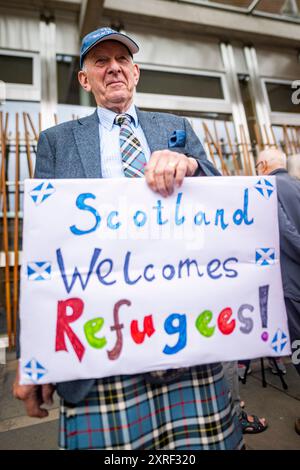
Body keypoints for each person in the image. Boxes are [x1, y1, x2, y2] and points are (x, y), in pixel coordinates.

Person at [13, 27, 243, 450]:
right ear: (85, 80)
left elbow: (222, 197)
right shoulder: (57, 142)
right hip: (100, 343)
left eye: (122, 60)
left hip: (186, 333)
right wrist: (34, 352)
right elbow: (44, 247)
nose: (113, 67)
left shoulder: (175, 127)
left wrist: (190, 164)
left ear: (136, 73)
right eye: (101, 61)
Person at [256, 148, 300, 435]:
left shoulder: (266, 186)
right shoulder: (296, 183)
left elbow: (286, 233)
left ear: (262, 165)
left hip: (291, 282)